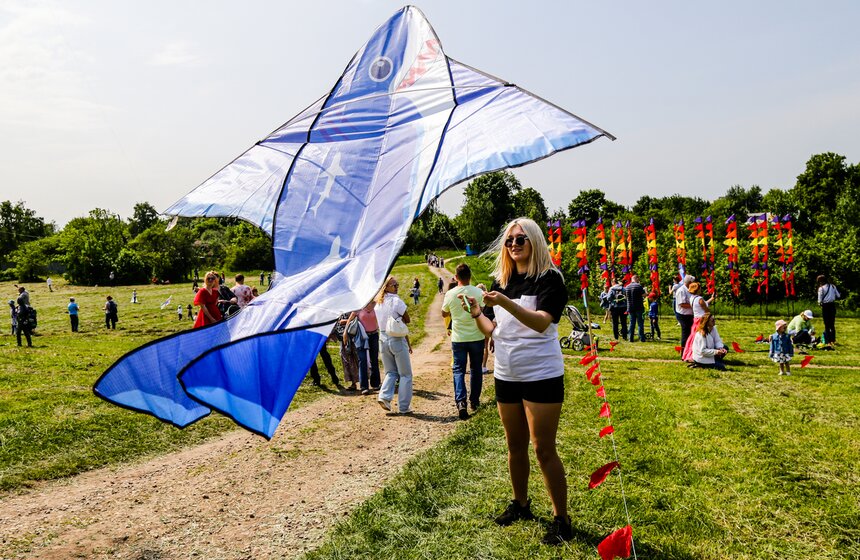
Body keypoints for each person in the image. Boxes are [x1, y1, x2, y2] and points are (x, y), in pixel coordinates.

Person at [460, 217, 572, 545]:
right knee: (514, 446)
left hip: (541, 374)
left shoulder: (550, 279)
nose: (514, 245)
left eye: (520, 239)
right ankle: (521, 503)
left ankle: (561, 518)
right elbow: (495, 331)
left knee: (543, 449)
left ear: (534, 241)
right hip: (506, 373)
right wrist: (478, 313)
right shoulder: (502, 279)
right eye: (510, 241)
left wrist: (503, 302)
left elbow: (541, 323)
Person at [442, 263, 486, 420]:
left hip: (458, 338)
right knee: (476, 369)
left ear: (456, 277)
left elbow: (444, 312)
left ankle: (461, 402)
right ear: (470, 275)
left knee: (458, 370)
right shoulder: (479, 292)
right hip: (477, 337)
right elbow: (483, 309)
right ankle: (474, 400)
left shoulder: (451, 293)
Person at [376, 276, 414, 414]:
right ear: (386, 287)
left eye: (397, 284)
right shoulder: (396, 301)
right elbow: (408, 319)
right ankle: (404, 407)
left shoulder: (378, 303)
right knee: (405, 374)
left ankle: (384, 396)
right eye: (394, 285)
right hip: (396, 338)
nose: (397, 287)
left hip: (382, 338)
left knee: (390, 372)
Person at [346, 301, 381, 394]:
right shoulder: (358, 307)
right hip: (361, 337)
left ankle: (376, 384)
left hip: (374, 335)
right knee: (362, 360)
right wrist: (345, 336)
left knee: (374, 360)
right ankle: (364, 387)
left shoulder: (376, 306)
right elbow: (348, 322)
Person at [681, 282, 714, 362]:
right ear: (697, 289)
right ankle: (696, 355)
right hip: (702, 319)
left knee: (692, 337)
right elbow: (706, 309)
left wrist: (712, 298)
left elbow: (703, 304)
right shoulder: (700, 299)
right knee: (701, 337)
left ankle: (688, 355)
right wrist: (711, 316)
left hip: (696, 319)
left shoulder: (692, 298)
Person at [674, 275, 695, 355]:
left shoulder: (689, 290)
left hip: (689, 315)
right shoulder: (681, 290)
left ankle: (689, 351)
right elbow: (682, 304)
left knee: (690, 333)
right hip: (683, 315)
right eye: (693, 282)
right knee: (685, 334)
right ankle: (684, 353)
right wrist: (694, 304)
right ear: (689, 282)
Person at [817, 275, 840, 346]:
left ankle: (828, 341)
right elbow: (838, 295)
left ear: (820, 281)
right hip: (832, 305)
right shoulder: (833, 286)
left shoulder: (821, 289)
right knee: (832, 324)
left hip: (825, 306)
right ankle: (833, 340)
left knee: (826, 325)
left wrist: (820, 303)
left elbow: (819, 300)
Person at [475, 283, 493, 374]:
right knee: (485, 346)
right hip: (488, 325)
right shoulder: (489, 301)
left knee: (476, 346)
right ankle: (484, 366)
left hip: (478, 325)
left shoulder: (476, 301)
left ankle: (476, 365)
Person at [624, 274, 646, 342]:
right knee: (640, 323)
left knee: (631, 323)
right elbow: (644, 295)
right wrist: (646, 291)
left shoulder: (627, 287)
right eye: (638, 279)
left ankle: (630, 338)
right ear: (636, 279)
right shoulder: (638, 286)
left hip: (630, 307)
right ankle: (641, 338)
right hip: (639, 307)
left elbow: (626, 296)